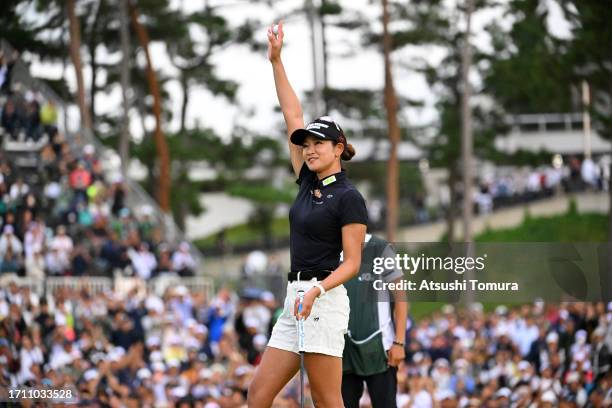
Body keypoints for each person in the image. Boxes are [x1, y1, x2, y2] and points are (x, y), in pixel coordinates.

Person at [247, 21, 368, 408]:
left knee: (326, 401)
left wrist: (317, 290)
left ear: (339, 148)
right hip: (294, 297)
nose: (310, 149)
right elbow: (292, 114)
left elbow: (352, 263)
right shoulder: (305, 180)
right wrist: (276, 61)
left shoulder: (349, 197)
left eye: (319, 144)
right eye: (307, 145)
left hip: (324, 298)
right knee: (258, 394)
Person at [340, 234, 407, 408]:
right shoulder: (331, 250)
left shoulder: (381, 248)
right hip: (342, 349)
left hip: (380, 348)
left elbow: (400, 298)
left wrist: (399, 342)